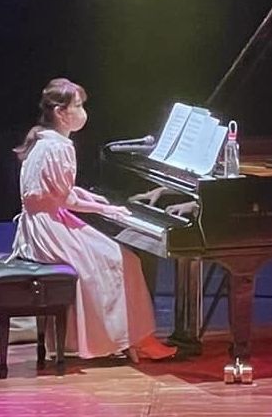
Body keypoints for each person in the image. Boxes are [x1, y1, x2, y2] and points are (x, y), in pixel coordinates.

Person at [9, 78, 175, 362]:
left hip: (37, 228)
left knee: (116, 258)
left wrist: (89, 196)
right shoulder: (59, 147)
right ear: (61, 112)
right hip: (50, 230)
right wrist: (105, 210)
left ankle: (126, 336)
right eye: (78, 106)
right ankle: (134, 339)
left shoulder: (42, 140)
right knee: (121, 260)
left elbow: (55, 189)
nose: (83, 112)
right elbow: (66, 200)